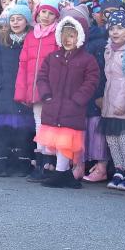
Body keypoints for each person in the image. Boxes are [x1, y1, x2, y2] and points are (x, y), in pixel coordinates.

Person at [34, 15, 101, 189]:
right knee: (55, 143)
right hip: (53, 106)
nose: (67, 39)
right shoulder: (52, 57)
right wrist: (46, 95)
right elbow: (41, 77)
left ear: (80, 36)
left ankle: (60, 173)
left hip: (72, 108)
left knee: (65, 142)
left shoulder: (87, 59)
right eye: (64, 35)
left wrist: (78, 99)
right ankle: (62, 173)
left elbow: (92, 81)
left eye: (72, 35)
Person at [16, 0, 64, 181]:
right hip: (33, 88)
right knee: (39, 123)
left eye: (51, 14)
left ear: (56, 17)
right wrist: (22, 91)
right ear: (37, 13)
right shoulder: (31, 36)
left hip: (50, 88)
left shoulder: (57, 34)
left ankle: (49, 163)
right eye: (43, 12)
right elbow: (23, 64)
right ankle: (41, 160)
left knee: (50, 124)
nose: (46, 16)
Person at [99, 6, 125, 191]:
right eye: (112, 27)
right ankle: (119, 169)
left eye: (120, 28)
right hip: (110, 101)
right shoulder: (109, 49)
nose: (115, 31)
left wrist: (123, 102)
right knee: (111, 137)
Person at [0, 4, 35, 177]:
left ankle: (22, 162)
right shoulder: (3, 41)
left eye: (19, 19)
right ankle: (3, 162)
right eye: (12, 19)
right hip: (6, 89)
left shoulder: (32, 39)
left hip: (24, 89)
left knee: (23, 129)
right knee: (5, 128)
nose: (15, 22)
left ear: (27, 21)